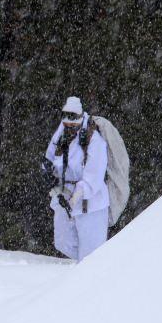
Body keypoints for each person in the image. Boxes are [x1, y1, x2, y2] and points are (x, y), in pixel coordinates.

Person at [44, 96, 109, 262]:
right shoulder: (61, 134)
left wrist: (74, 199)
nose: (69, 125)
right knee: (63, 242)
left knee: (91, 256)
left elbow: (93, 175)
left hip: (90, 205)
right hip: (63, 196)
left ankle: (87, 281)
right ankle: (78, 273)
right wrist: (49, 177)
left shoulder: (94, 139)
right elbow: (50, 158)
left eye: (73, 120)